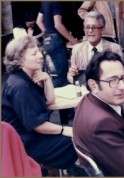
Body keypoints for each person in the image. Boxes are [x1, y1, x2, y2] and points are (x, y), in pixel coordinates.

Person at [2, 36, 77, 169]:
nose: (41, 56)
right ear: (20, 62)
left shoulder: (29, 78)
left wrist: (47, 79)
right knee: (74, 140)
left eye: (39, 51)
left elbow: (49, 100)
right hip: (25, 142)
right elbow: (38, 125)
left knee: (75, 138)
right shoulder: (21, 86)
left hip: (31, 135)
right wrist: (65, 129)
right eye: (34, 53)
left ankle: (60, 168)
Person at [67, 11, 124, 84]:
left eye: (94, 27)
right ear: (84, 29)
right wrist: (72, 75)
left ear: (102, 30)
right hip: (85, 91)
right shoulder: (77, 49)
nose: (90, 31)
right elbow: (70, 76)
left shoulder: (115, 49)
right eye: (87, 27)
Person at [36, 1, 79, 87]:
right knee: (62, 77)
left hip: (47, 40)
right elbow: (58, 25)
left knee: (57, 73)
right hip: (55, 40)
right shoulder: (57, 2)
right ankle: (50, 97)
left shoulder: (45, 2)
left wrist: (47, 32)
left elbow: (38, 21)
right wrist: (74, 41)